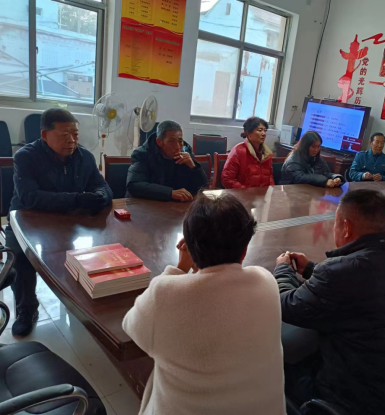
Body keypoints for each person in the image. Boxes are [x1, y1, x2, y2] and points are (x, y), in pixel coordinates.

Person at [274, 190, 385, 415]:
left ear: (345, 227)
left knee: (278, 367)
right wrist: (311, 269)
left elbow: (286, 305)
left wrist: (283, 269)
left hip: (359, 405)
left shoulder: (340, 273)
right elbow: (363, 283)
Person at [123, 193, 285, 415]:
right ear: (245, 249)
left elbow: (131, 326)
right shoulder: (266, 281)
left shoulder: (164, 295)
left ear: (189, 246)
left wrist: (179, 269)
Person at [7, 108, 113, 337]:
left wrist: (101, 196)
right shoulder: (25, 157)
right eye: (65, 135)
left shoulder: (85, 157)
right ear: (45, 135)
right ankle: (26, 309)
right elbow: (29, 197)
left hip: (68, 219)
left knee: (102, 241)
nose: (72, 141)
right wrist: (76, 199)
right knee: (20, 255)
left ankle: (86, 301)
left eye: (75, 134)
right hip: (27, 219)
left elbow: (102, 186)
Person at [126, 120, 207, 201]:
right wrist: (170, 193)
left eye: (180, 141)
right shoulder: (142, 154)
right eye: (171, 141)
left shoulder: (186, 152)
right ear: (159, 142)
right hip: (145, 204)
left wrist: (194, 167)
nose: (177, 147)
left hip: (175, 205)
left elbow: (202, 187)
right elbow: (134, 185)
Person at [221, 117, 275, 188]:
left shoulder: (267, 153)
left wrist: (271, 190)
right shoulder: (238, 151)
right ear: (249, 134)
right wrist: (245, 191)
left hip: (263, 193)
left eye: (265, 130)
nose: (264, 133)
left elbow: (270, 176)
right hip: (243, 193)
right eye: (260, 130)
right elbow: (227, 179)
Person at [279, 131, 344, 188]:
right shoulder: (293, 159)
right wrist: (325, 181)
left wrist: (335, 178)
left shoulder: (318, 158)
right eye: (313, 147)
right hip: (291, 192)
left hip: (310, 192)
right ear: (305, 146)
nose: (316, 150)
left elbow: (325, 173)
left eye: (318, 146)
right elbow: (299, 178)